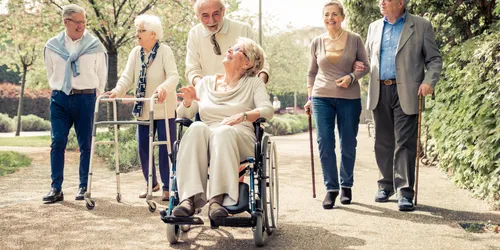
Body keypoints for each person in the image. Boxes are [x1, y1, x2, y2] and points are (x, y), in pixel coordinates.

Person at [172, 37, 273, 219]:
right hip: (208, 136)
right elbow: (184, 115)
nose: (229, 50)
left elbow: (267, 110)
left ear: (248, 62)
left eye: (237, 49)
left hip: (239, 136)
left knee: (223, 131)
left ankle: (217, 200)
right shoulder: (205, 83)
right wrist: (187, 103)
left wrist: (243, 116)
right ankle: (188, 199)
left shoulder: (253, 84)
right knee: (196, 128)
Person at [365, 0, 442, 211]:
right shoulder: (374, 27)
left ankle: (405, 191)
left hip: (407, 91)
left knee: (405, 143)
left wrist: (429, 81)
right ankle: (385, 185)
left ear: (400, 2)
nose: (381, 2)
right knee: (382, 141)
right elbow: (366, 58)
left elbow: (434, 59)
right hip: (380, 90)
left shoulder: (421, 25)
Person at [104, 14, 180, 201]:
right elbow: (127, 77)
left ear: (153, 34)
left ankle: (168, 187)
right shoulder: (135, 53)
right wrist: (116, 91)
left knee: (165, 149)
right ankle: (150, 183)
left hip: (163, 109)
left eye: (141, 31)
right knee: (143, 147)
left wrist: (163, 88)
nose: (137, 34)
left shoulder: (165, 51)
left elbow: (173, 76)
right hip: (144, 109)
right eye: (137, 30)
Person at [304, 1, 369, 209]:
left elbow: (365, 67)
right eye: (326, 15)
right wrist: (310, 98)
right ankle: (331, 189)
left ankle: (346, 185)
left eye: (334, 14)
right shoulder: (317, 42)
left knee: (348, 143)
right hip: (321, 96)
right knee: (325, 143)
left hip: (349, 97)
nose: (330, 18)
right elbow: (312, 72)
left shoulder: (355, 40)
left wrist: (351, 77)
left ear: (342, 17)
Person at [42, 4, 107, 203]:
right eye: (77, 22)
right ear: (66, 22)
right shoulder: (52, 46)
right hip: (60, 99)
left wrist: (94, 97)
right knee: (57, 142)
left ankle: (83, 186)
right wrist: (61, 90)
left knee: (86, 144)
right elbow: (50, 72)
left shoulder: (95, 46)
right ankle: (56, 188)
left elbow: (101, 75)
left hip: (85, 98)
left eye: (83, 22)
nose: (81, 26)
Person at [185, 0, 270, 86]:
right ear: (197, 16)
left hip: (241, 92)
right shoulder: (194, 34)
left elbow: (261, 62)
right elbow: (192, 69)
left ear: (223, 11)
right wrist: (204, 89)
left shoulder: (243, 29)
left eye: (216, 14)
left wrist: (258, 85)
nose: (211, 21)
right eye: (205, 16)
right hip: (208, 93)